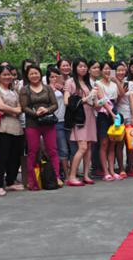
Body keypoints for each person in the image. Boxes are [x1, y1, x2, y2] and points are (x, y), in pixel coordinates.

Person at [20, 65, 60, 190]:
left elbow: (55, 105)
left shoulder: (48, 88)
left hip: (48, 122)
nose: (34, 75)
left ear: (40, 74)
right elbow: (24, 107)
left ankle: (55, 177)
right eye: (31, 74)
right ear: (27, 76)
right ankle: (32, 181)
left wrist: (46, 110)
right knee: (33, 152)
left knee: (52, 150)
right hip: (32, 124)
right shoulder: (25, 90)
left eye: (36, 73)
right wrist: (35, 113)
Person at [0, 65, 25, 196]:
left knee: (15, 155)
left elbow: (20, 105)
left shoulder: (14, 91)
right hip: (2, 127)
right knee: (3, 156)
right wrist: (15, 110)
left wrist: (16, 110)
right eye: (4, 74)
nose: (8, 77)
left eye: (9, 74)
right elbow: (1, 106)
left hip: (17, 127)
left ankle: (10, 181)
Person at [64, 58, 98, 186]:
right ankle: (72, 176)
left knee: (88, 147)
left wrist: (97, 102)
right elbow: (67, 102)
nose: (83, 68)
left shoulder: (88, 82)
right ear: (75, 68)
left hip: (90, 116)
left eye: (85, 66)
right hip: (79, 119)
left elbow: (94, 103)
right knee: (82, 147)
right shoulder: (70, 82)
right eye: (80, 66)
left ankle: (86, 175)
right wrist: (86, 99)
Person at [114, 61, 133, 178]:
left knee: (131, 143)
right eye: (118, 70)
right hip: (117, 116)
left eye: (123, 70)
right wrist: (120, 92)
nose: (121, 72)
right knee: (119, 143)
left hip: (129, 115)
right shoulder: (112, 84)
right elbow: (114, 102)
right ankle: (121, 169)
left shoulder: (130, 83)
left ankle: (130, 167)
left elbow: (132, 101)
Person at [95, 61, 120, 181]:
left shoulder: (114, 84)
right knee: (104, 143)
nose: (107, 71)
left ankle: (112, 170)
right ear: (100, 71)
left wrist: (115, 114)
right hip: (103, 114)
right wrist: (112, 114)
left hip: (114, 113)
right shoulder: (98, 83)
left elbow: (118, 98)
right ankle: (105, 172)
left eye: (109, 69)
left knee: (112, 143)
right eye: (105, 69)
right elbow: (103, 100)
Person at [47, 66, 70, 180]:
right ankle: (63, 174)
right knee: (62, 149)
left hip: (65, 120)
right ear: (48, 78)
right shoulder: (46, 89)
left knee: (67, 148)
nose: (54, 79)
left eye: (56, 76)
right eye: (52, 77)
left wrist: (62, 89)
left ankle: (66, 173)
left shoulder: (63, 88)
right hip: (55, 121)